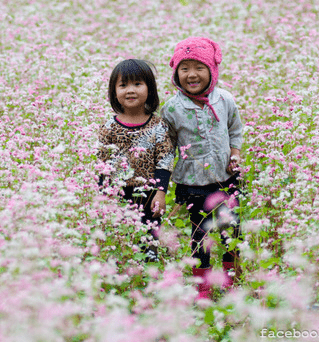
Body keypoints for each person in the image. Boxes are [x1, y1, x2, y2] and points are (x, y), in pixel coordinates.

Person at [160, 37, 244, 299]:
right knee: (200, 235)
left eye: (199, 67)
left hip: (225, 179)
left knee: (232, 230)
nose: (192, 74)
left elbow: (235, 130)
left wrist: (235, 153)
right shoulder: (172, 108)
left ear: (212, 70)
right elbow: (167, 148)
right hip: (193, 185)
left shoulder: (225, 99)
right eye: (184, 68)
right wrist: (161, 188)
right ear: (176, 73)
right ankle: (204, 286)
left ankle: (232, 277)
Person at [97, 59, 175, 262]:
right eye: (123, 85)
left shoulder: (159, 125)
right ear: (114, 92)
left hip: (149, 196)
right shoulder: (109, 127)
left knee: (149, 244)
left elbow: (164, 160)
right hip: (118, 193)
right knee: (119, 242)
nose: (130, 90)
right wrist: (103, 197)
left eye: (137, 84)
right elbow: (103, 165)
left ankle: (148, 281)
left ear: (150, 89)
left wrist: (160, 193)